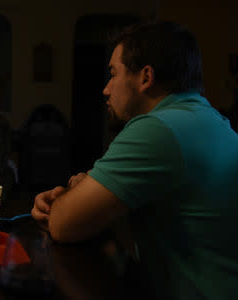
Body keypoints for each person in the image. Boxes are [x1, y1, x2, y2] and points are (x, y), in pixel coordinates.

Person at [32, 21, 238, 299]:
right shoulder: (214, 121)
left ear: (145, 77)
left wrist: (72, 201)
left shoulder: (156, 129)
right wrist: (90, 191)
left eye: (113, 74)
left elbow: (62, 225)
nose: (106, 89)